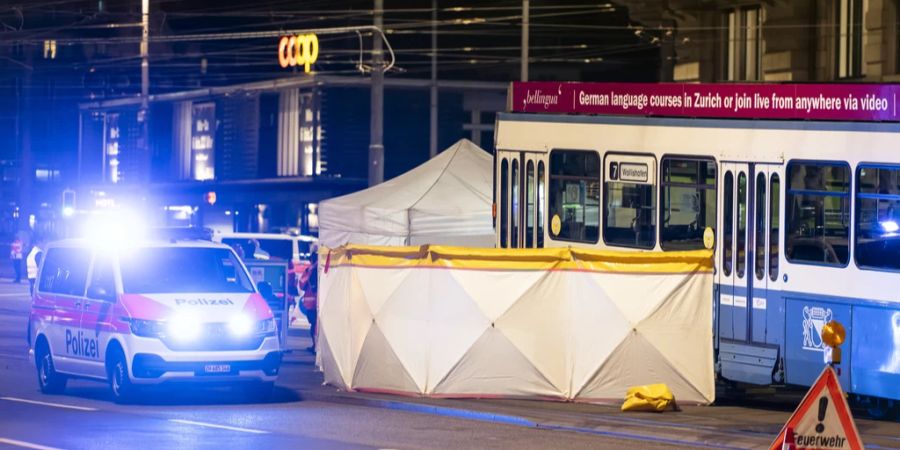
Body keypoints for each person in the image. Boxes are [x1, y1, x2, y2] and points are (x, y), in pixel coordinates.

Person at [298, 249, 319, 354]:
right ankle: (317, 346)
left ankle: (316, 346)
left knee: (314, 325)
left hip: (312, 304)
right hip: (320, 303)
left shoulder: (310, 270)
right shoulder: (324, 269)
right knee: (317, 325)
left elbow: (302, 285)